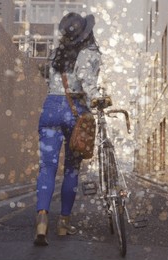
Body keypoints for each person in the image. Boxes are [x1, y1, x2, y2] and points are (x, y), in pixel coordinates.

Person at [34, 12, 111, 246]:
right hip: (73, 111)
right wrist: (99, 99)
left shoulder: (58, 53)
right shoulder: (88, 53)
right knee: (71, 169)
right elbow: (87, 83)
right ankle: (64, 223)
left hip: (50, 109)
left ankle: (42, 220)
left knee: (47, 166)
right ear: (87, 33)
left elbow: (53, 81)